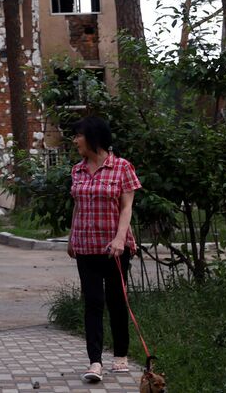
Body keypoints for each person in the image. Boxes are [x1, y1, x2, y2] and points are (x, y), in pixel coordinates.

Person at [67, 115, 141, 384]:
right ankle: (94, 361)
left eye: (78, 135)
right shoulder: (77, 170)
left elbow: (126, 207)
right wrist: (71, 238)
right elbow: (77, 206)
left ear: (94, 138)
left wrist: (121, 239)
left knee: (117, 301)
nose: (75, 141)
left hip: (115, 249)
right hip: (86, 247)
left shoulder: (122, 167)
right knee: (93, 303)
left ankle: (120, 354)